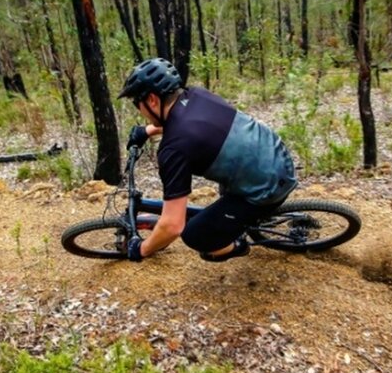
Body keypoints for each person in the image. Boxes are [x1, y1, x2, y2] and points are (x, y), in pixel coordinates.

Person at [118, 57, 297, 262]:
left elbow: (173, 225)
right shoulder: (197, 95)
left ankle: (238, 245)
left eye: (136, 103)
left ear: (152, 100)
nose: (138, 110)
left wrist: (141, 249)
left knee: (195, 235)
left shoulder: (173, 149)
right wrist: (147, 131)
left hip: (270, 186)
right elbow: (192, 124)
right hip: (275, 153)